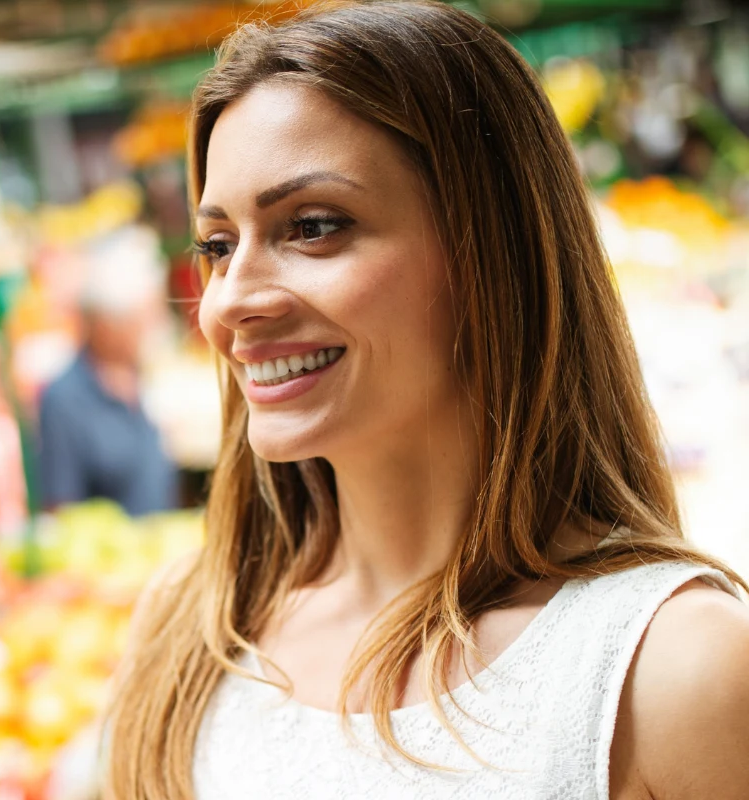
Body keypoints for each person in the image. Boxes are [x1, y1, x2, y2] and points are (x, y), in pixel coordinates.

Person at [104, 3, 749, 799]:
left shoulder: (673, 669)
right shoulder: (190, 632)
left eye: (312, 226)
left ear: (493, 252)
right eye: (218, 245)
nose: (228, 302)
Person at [37, 226, 178, 517]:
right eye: (137, 320)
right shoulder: (64, 398)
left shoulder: (149, 379)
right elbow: (61, 509)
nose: (150, 328)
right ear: (104, 325)